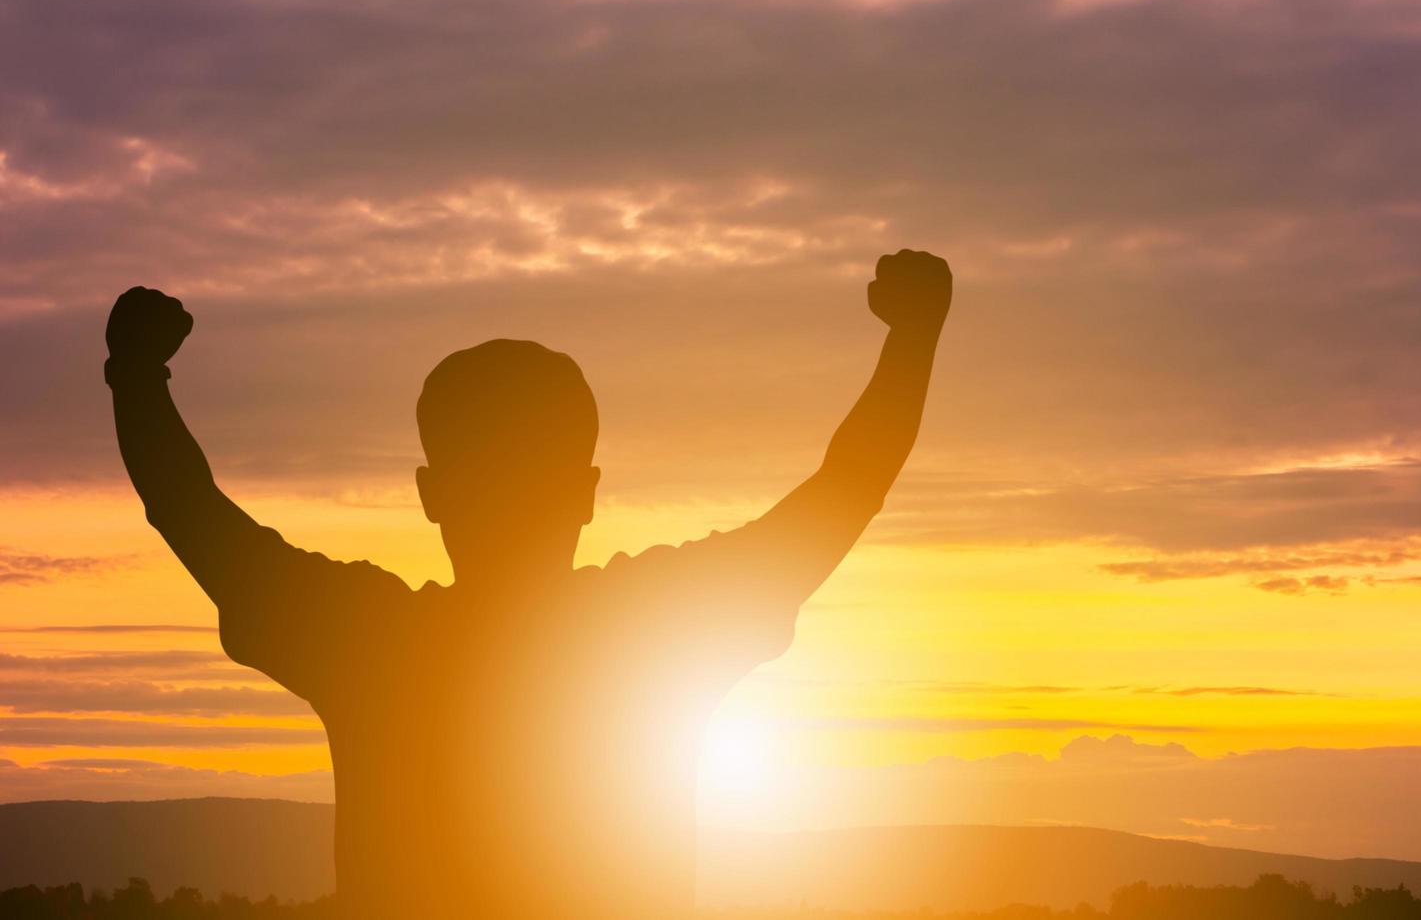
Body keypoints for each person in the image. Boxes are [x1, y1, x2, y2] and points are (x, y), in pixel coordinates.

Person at [105, 249, 952, 918]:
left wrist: (138, 376)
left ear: (431, 495)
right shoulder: (654, 634)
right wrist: (912, 339)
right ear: (586, 491)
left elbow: (191, 512)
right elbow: (844, 491)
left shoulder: (368, 641)